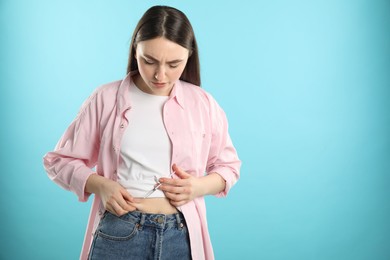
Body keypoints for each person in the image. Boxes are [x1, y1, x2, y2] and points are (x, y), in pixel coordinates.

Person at [43, 5, 241, 260]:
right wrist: (100, 185)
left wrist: (198, 187)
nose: (160, 74)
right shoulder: (105, 99)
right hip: (119, 232)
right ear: (135, 50)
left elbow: (229, 168)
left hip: (182, 236)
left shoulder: (203, 104)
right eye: (149, 61)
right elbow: (57, 161)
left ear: (189, 56)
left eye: (174, 64)